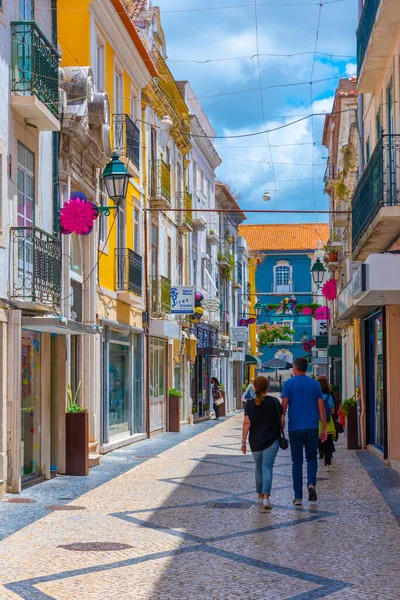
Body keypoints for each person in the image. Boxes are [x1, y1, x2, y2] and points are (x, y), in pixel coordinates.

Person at [281, 357, 327, 506]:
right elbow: (321, 407)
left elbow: (283, 407)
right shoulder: (315, 385)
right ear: (306, 368)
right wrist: (324, 427)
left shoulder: (288, 384)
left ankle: (298, 497)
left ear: (295, 368)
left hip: (295, 428)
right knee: (312, 458)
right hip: (312, 427)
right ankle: (311, 483)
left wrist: (280, 424)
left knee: (297, 463)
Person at [241, 375, 283, 510]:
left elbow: (247, 422)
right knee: (267, 468)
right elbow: (282, 420)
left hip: (255, 441)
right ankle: (266, 498)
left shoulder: (250, 404)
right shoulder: (275, 402)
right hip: (272, 440)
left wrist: (243, 441)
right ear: (267, 387)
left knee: (258, 468)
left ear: (256, 387)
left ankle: (259, 495)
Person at [316, 376, 336, 472]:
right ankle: (327, 463)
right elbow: (332, 410)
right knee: (328, 443)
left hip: (319, 423)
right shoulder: (329, 396)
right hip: (328, 422)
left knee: (320, 441)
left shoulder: (315, 396)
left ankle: (321, 453)